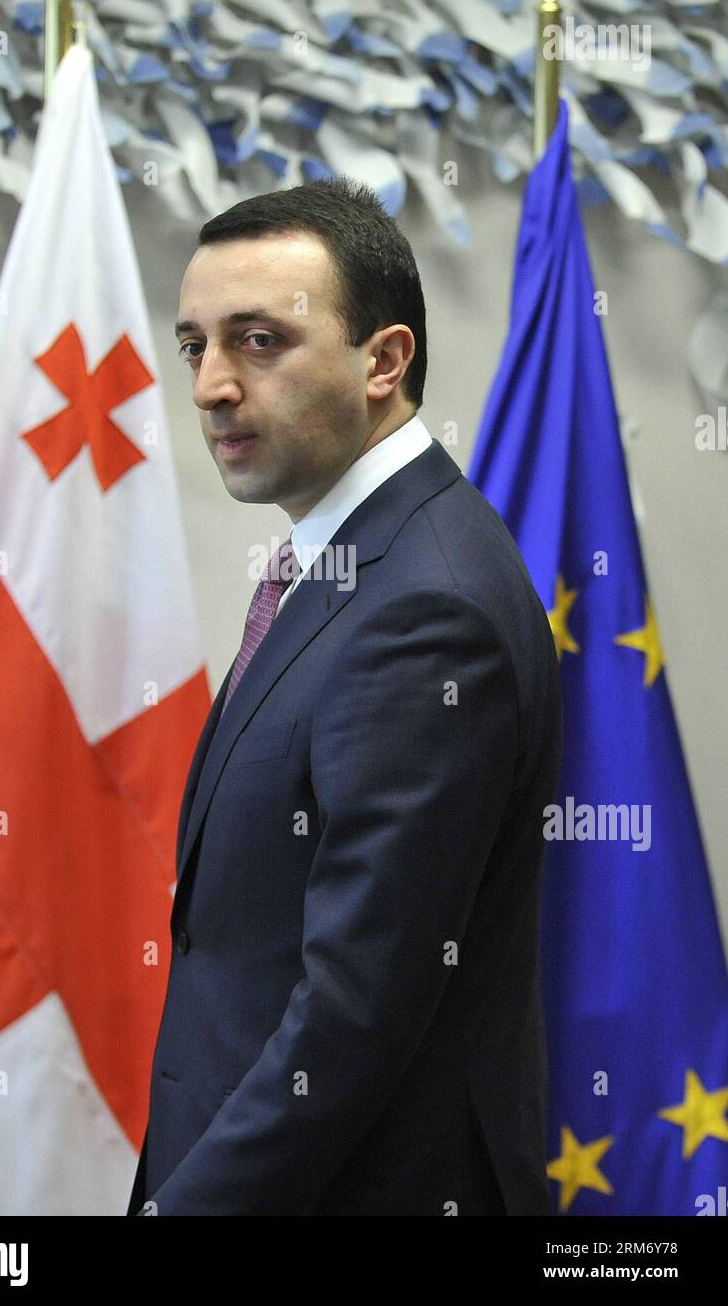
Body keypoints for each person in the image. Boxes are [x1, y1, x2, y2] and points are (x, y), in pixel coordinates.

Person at [127, 175, 562, 1216]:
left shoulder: (424, 606)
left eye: (258, 341)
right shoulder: (358, 556)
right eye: (195, 346)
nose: (210, 386)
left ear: (383, 360)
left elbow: (351, 1012)